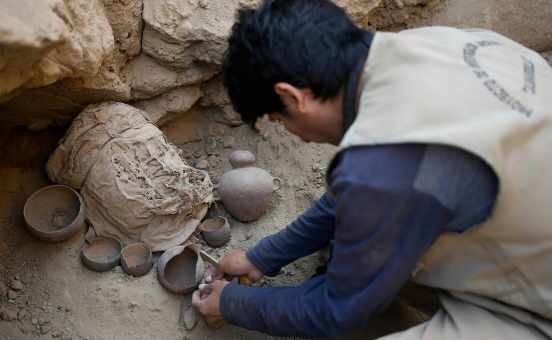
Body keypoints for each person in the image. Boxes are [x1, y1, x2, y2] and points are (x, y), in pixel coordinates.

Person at [191, 0, 552, 338]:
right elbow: (351, 198)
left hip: (535, 304)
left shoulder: (387, 166)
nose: (295, 136)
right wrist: (261, 257)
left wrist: (232, 303)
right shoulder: (428, 45)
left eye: (278, 119)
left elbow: (336, 312)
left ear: (292, 97)